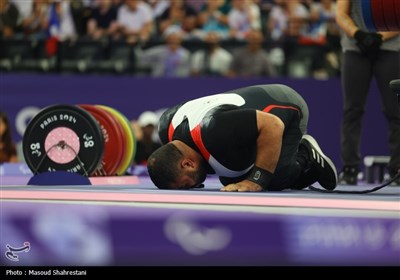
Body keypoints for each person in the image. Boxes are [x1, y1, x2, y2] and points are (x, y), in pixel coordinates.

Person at [147, 84, 338, 192]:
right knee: (232, 181)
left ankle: (306, 155)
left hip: (286, 108)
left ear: (187, 164)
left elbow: (273, 125)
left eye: (187, 185)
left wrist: (256, 180)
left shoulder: (214, 131)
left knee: (272, 180)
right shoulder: (166, 129)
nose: (194, 186)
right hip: (241, 120)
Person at [336, 0, 400, 185]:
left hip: (390, 48)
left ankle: (397, 169)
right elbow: (341, 13)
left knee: (395, 110)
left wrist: (380, 37)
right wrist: (359, 35)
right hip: (355, 48)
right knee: (352, 110)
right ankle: (349, 169)